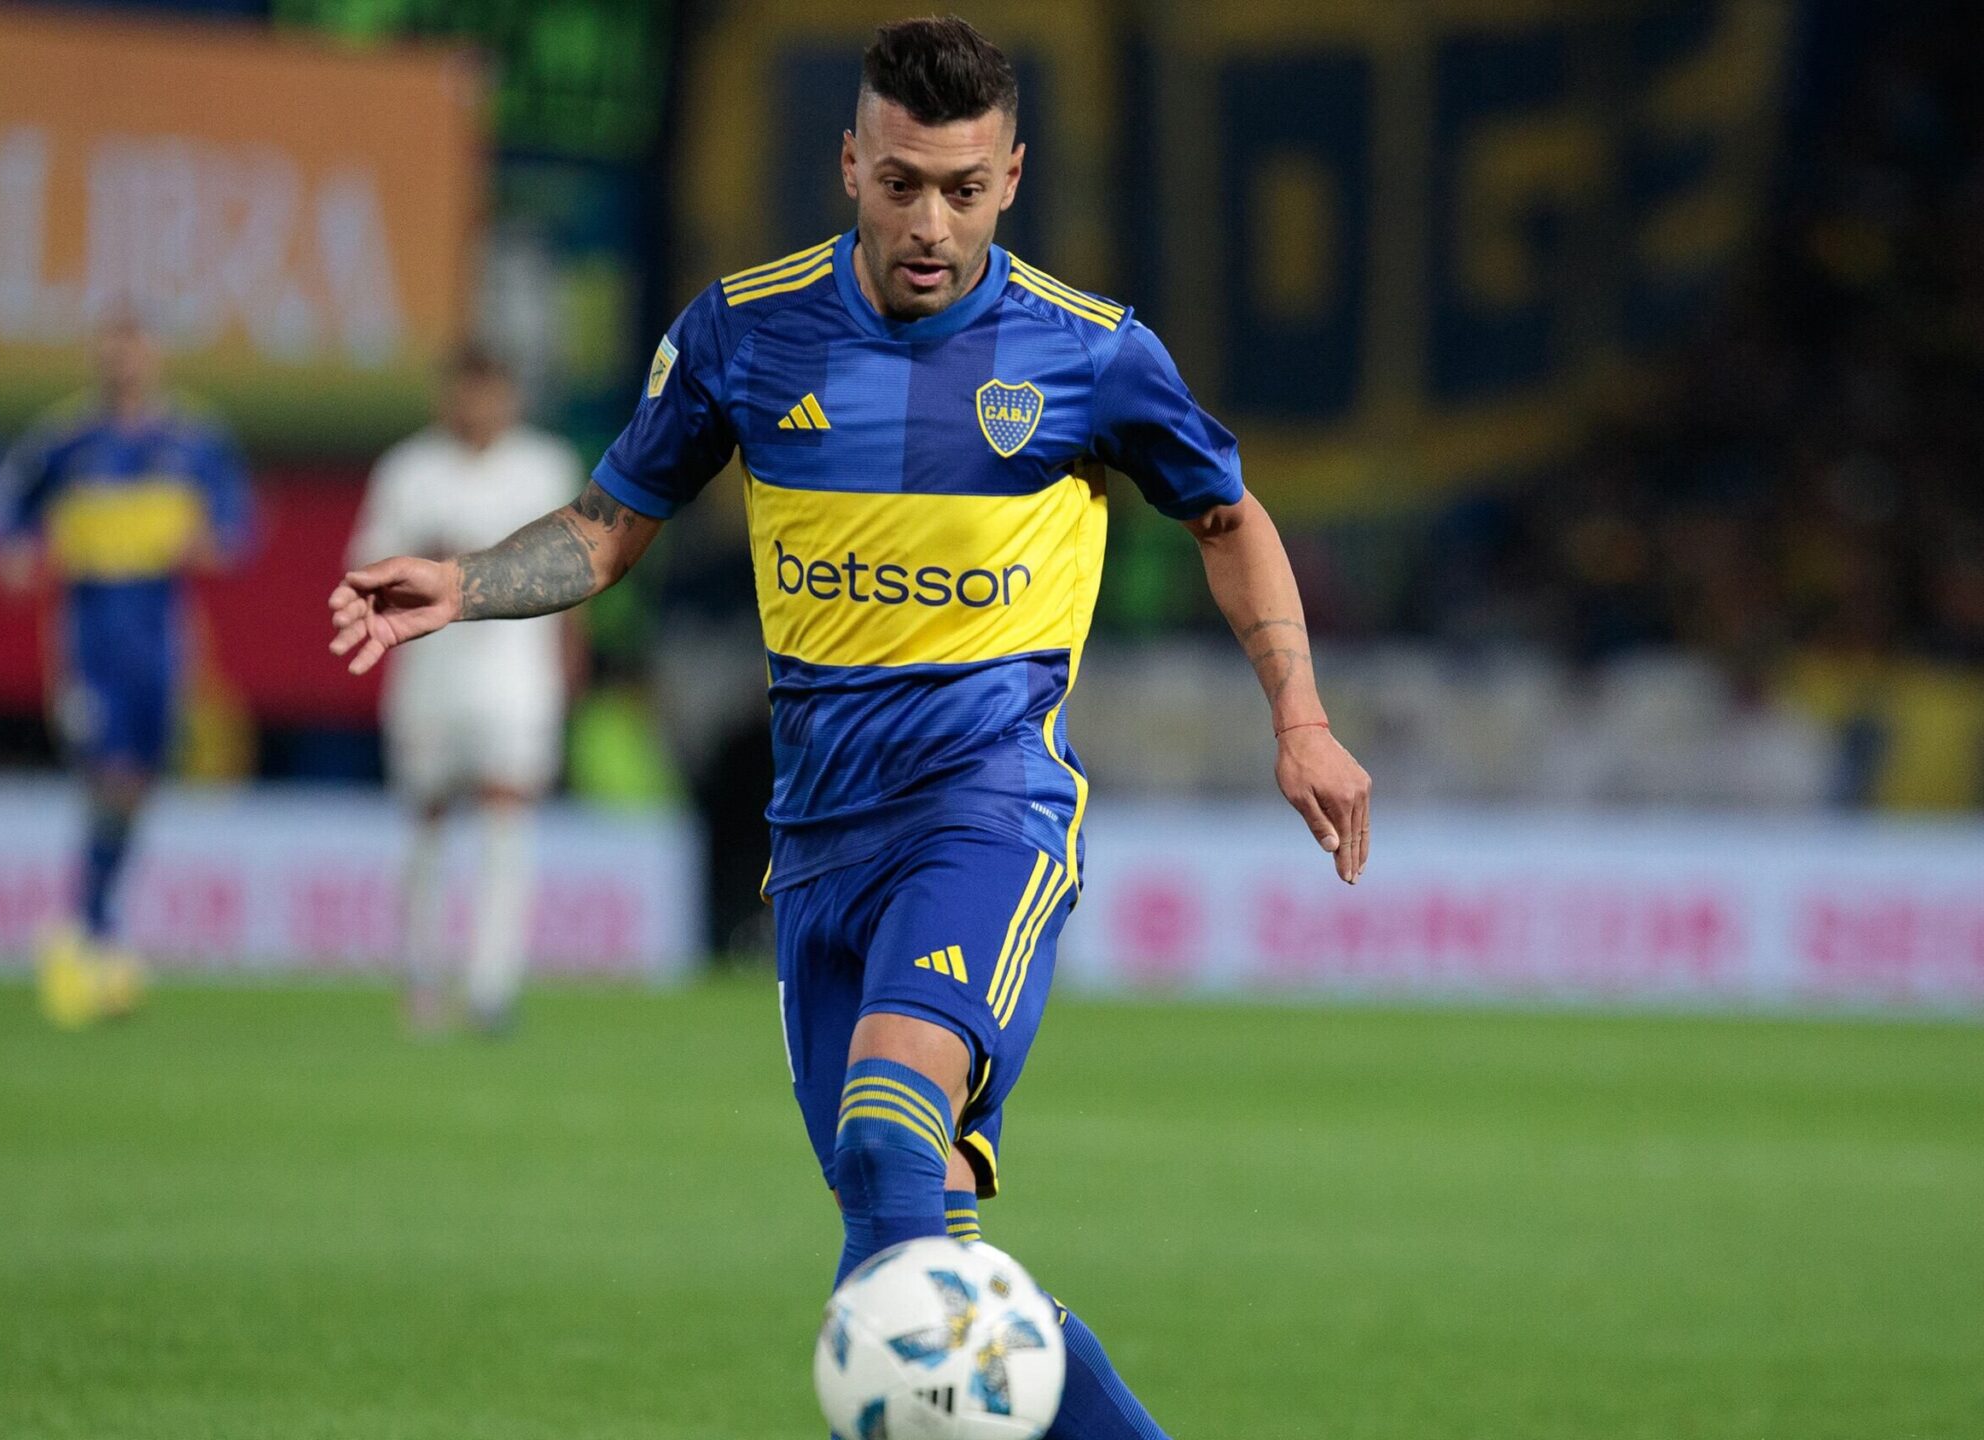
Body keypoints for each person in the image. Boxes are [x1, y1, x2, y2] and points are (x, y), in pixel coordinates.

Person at [328, 18, 1369, 1438]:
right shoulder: (743, 332)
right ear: (848, 165)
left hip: (985, 812)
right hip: (816, 845)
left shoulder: (1088, 353)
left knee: (888, 1135)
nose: (929, 223)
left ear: (1012, 178)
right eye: (900, 185)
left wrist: (1300, 718)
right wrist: (464, 584)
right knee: (907, 1250)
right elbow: (607, 528)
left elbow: (1227, 518)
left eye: (962, 189)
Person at [0, 310, 252, 1029]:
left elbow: (234, 529)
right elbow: (13, 512)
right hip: (91, 639)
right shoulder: (66, 440)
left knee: (137, 784)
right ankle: (89, 935)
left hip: (162, 637)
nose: (123, 365)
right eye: (112, 353)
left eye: (134, 352)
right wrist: (19, 553)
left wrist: (209, 543)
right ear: (97, 360)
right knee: (106, 776)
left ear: (154, 358)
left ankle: (93, 927)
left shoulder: (193, 440)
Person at [348, 345, 581, 1034]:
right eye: (464, 388)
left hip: (515, 676)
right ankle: (422, 976)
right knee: (427, 815)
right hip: (431, 674)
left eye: (489, 389)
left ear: (510, 395)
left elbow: (576, 569)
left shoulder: (545, 466)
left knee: (508, 812)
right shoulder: (409, 470)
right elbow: (366, 568)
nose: (476, 403)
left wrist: (571, 656)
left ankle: (490, 984)